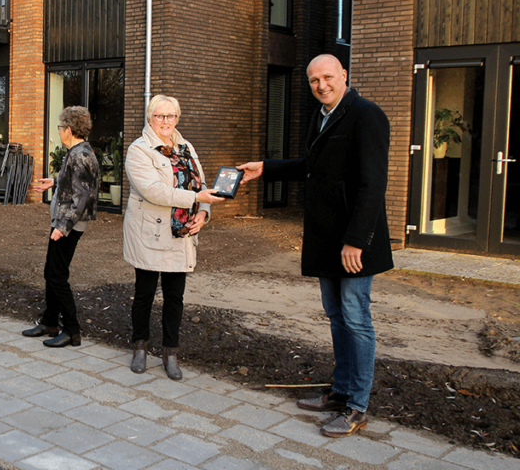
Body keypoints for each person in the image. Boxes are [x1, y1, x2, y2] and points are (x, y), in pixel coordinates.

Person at [238, 53, 393, 438]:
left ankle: (357, 407)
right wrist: (267, 168)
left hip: (353, 243)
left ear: (344, 75)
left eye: (327, 77)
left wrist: (356, 241)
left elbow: (372, 185)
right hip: (325, 240)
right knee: (337, 316)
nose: (321, 85)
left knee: (357, 319)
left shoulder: (366, 115)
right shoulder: (321, 116)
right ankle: (340, 392)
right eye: (313, 81)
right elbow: (312, 165)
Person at [123, 94, 223, 380]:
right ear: (149, 118)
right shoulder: (139, 149)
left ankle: (170, 353)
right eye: (159, 116)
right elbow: (153, 190)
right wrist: (195, 197)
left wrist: (203, 213)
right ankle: (140, 347)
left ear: (177, 118)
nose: (165, 121)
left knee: (174, 297)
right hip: (150, 231)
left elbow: (202, 184)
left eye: (171, 116)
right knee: (144, 294)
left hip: (180, 233)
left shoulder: (186, 147)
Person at [26, 107, 100, 348]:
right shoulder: (78, 152)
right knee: (52, 272)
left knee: (57, 276)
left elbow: (82, 196)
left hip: (67, 224)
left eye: (60, 128)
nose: (59, 131)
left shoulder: (80, 155)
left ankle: (72, 330)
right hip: (63, 222)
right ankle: (49, 322)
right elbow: (75, 181)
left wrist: (63, 226)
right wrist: (55, 181)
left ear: (68, 130)